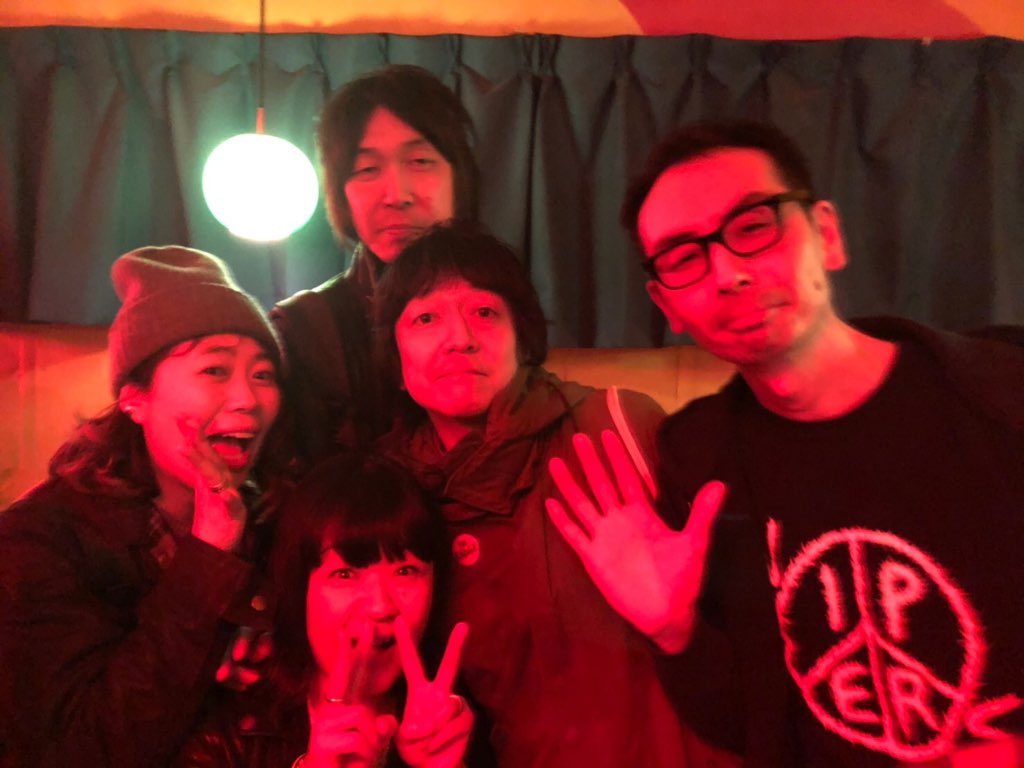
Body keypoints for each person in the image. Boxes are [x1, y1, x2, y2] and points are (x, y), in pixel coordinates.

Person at [545, 119, 1024, 767]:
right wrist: (675, 631)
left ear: (826, 234)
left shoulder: (1001, 394)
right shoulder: (699, 461)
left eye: (752, 227)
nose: (727, 273)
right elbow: (748, 724)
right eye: (684, 258)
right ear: (667, 305)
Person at [374, 221, 715, 767]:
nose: (460, 338)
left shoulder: (616, 427)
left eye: (485, 312)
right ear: (395, 358)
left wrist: (687, 624)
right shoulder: (392, 498)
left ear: (523, 338)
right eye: (426, 318)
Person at [0, 246, 288, 767]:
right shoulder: (39, 542)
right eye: (216, 370)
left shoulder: (276, 519)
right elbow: (83, 749)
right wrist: (207, 558)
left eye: (264, 374)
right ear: (135, 398)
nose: (247, 398)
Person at [180, 452, 475, 767]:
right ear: (299, 589)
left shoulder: (457, 723)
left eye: (405, 571)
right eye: (344, 574)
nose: (380, 606)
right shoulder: (231, 733)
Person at [272, 64, 479, 463]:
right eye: (367, 169)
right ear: (340, 192)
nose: (396, 195)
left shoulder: (501, 299)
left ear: (459, 176)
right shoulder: (305, 329)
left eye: (420, 161)